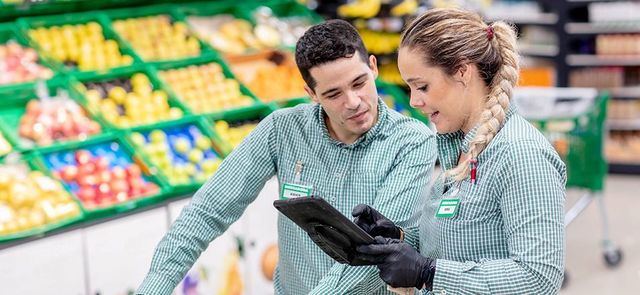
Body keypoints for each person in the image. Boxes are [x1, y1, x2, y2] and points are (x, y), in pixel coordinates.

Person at [137, 19, 437, 294]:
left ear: (372, 67)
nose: (353, 102)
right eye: (333, 94)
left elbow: (377, 256)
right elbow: (207, 212)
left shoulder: (412, 142)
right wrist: (154, 287)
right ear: (311, 93)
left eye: (359, 83)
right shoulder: (282, 129)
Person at [352, 8, 566, 294]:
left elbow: (538, 277)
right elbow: (460, 242)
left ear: (462, 71)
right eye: (410, 88)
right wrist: (400, 238)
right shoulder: (458, 149)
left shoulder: (520, 155)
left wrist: (427, 273)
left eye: (422, 86)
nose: (414, 101)